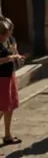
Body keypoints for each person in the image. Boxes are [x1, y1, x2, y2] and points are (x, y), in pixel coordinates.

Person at [0, 18, 24, 146]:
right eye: (8, 31)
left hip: (10, 74)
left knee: (10, 106)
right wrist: (10, 57)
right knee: (3, 107)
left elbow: (13, 52)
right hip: (1, 78)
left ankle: (8, 135)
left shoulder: (9, 40)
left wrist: (17, 56)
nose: (10, 33)